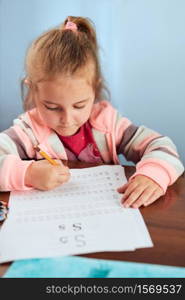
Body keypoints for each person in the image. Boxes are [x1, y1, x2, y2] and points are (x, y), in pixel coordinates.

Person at [0, 16, 184, 209]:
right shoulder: (28, 131)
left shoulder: (108, 124)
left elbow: (162, 146)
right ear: (33, 91)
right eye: (52, 107)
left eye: (79, 106)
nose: (67, 120)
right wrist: (27, 174)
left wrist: (153, 175)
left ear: (94, 90)